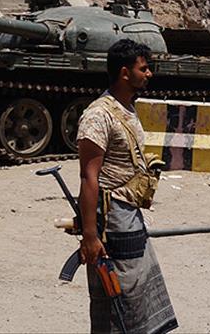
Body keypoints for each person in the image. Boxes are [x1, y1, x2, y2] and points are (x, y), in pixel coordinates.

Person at [76, 39, 178, 334]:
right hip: (113, 218)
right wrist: (90, 236)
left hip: (128, 212)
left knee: (136, 290)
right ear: (124, 73)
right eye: (143, 69)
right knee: (116, 294)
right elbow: (88, 177)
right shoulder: (99, 115)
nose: (149, 74)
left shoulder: (126, 108)